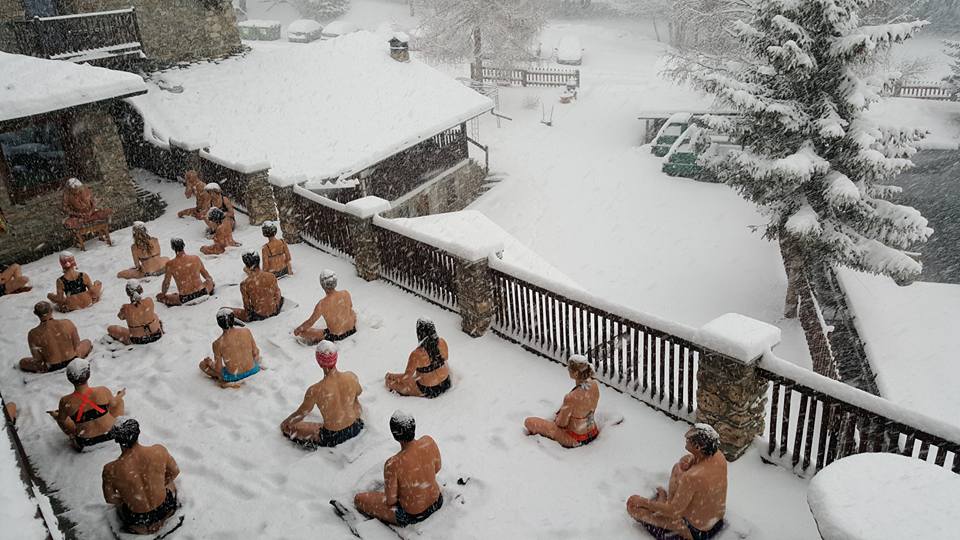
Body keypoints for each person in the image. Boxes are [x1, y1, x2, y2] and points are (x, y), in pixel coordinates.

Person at [626, 424, 728, 540]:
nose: (685, 436)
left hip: (697, 532)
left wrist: (643, 502)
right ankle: (667, 502)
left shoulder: (692, 477)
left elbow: (673, 512)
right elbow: (700, 468)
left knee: (633, 508)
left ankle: (665, 506)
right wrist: (690, 459)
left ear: (697, 447)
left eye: (688, 438)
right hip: (716, 522)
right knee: (678, 468)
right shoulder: (718, 456)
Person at [354, 411, 443, 527]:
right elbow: (437, 468)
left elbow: (391, 501)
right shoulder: (428, 442)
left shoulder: (393, 464)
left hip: (411, 515)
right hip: (437, 501)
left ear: (395, 435)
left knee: (359, 499)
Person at [102, 418, 180, 535]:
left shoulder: (111, 469)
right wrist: (158, 484)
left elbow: (110, 498)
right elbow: (175, 471)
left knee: (121, 505)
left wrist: (130, 497)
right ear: (137, 433)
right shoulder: (159, 451)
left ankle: (143, 526)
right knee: (171, 484)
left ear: (116, 439)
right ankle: (161, 519)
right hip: (164, 509)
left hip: (137, 519)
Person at [281, 341, 364, 448]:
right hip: (356, 427)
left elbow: (301, 413)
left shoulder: (315, 390)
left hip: (333, 436)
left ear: (319, 363)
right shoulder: (351, 377)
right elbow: (359, 392)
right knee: (354, 397)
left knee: (290, 428)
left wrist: (285, 423)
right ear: (336, 358)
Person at [524, 355, 600, 448]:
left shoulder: (571, 398)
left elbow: (561, 424)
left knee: (529, 422)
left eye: (569, 369)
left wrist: (559, 417)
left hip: (575, 439)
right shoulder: (594, 385)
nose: (568, 370)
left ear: (576, 373)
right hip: (592, 432)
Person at [50, 359, 125, 450]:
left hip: (86, 443)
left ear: (69, 378)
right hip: (111, 435)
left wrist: (57, 416)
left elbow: (62, 420)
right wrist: (120, 395)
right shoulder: (102, 390)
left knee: (64, 419)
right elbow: (114, 404)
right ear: (88, 374)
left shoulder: (65, 401)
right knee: (118, 402)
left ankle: (60, 419)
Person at [19, 301, 93, 373]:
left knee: (22, 362)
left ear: (35, 313)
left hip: (52, 366)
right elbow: (76, 344)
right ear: (51, 310)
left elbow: (38, 358)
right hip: (72, 359)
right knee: (87, 342)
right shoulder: (67, 323)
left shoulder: (33, 334)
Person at [385, 319, 451, 399]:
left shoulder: (416, 354)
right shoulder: (442, 342)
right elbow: (445, 358)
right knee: (415, 378)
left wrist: (392, 376)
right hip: (446, 382)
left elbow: (406, 377)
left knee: (389, 383)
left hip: (429, 390)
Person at [199, 308, 262, 387]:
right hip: (253, 369)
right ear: (233, 320)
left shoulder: (217, 343)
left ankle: (222, 379)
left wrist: (210, 363)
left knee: (202, 365)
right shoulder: (246, 331)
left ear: (219, 324)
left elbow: (218, 369)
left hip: (234, 377)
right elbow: (256, 352)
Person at [293, 270, 356, 344]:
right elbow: (350, 308)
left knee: (303, 333)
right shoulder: (345, 293)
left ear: (322, 285)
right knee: (351, 312)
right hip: (352, 330)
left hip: (336, 336)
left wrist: (298, 329)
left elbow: (310, 322)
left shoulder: (322, 304)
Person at [157, 238, 215, 307]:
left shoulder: (170, 264)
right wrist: (210, 282)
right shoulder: (195, 258)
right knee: (210, 282)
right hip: (201, 293)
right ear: (183, 245)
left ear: (173, 248)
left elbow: (166, 283)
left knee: (161, 297)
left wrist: (163, 294)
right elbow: (207, 276)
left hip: (185, 298)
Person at [231, 251, 283, 322]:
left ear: (246, 264)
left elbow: (247, 307)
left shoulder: (244, 284)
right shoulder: (271, 276)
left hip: (258, 315)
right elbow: (278, 295)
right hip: (274, 310)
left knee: (226, 310)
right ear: (259, 260)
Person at [108, 281, 164, 345]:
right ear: (141, 290)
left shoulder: (126, 308)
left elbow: (120, 317)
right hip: (156, 335)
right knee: (154, 315)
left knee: (110, 328)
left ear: (128, 293)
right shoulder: (149, 301)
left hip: (138, 340)